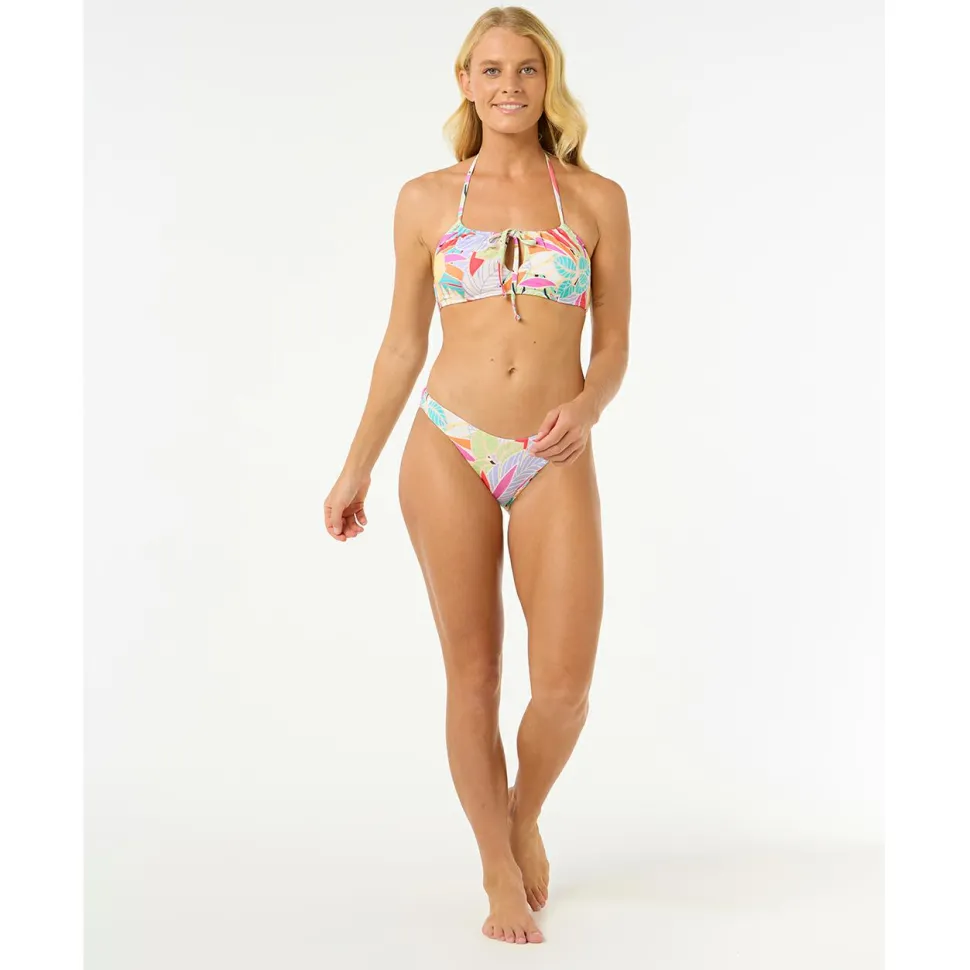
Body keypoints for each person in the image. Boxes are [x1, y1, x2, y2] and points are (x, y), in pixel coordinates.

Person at [323, 5, 630, 946]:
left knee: (565, 687)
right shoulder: (426, 200)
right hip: (447, 444)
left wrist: (586, 409)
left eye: (526, 70)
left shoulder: (596, 199)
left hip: (551, 451)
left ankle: (521, 814)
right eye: (490, 70)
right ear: (465, 82)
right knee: (475, 673)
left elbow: (614, 345)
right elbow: (401, 346)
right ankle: (497, 866)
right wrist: (354, 469)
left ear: (548, 82)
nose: (509, 85)